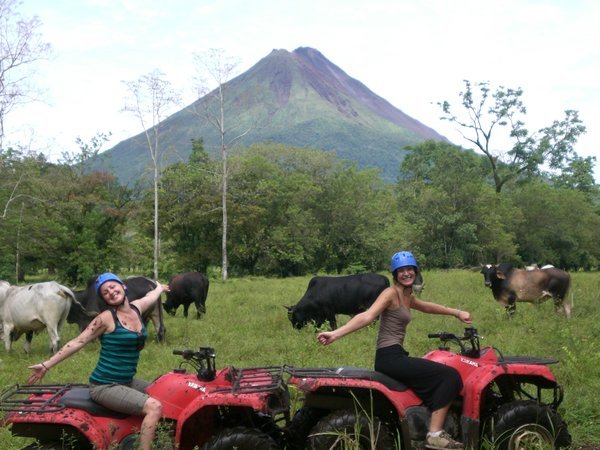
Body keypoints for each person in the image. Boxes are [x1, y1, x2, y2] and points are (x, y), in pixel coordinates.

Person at [317, 251, 472, 450]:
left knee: (436, 374)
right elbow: (367, 316)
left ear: (415, 271)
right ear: (395, 274)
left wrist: (457, 313)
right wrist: (335, 334)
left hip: (396, 355)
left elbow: (427, 307)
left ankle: (426, 419)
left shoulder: (407, 296)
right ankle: (434, 434)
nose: (406, 273)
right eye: (401, 271)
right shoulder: (390, 293)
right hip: (389, 357)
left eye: (410, 269)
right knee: (450, 376)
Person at [28, 273, 167, 450]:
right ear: (104, 298)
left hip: (127, 381)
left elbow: (150, 297)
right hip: (105, 386)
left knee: (164, 390)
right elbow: (78, 342)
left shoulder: (136, 308)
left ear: (123, 287)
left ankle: (154, 438)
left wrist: (159, 288)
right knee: (154, 407)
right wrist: (46, 365)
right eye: (105, 292)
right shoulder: (106, 318)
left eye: (113, 286)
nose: (111, 292)